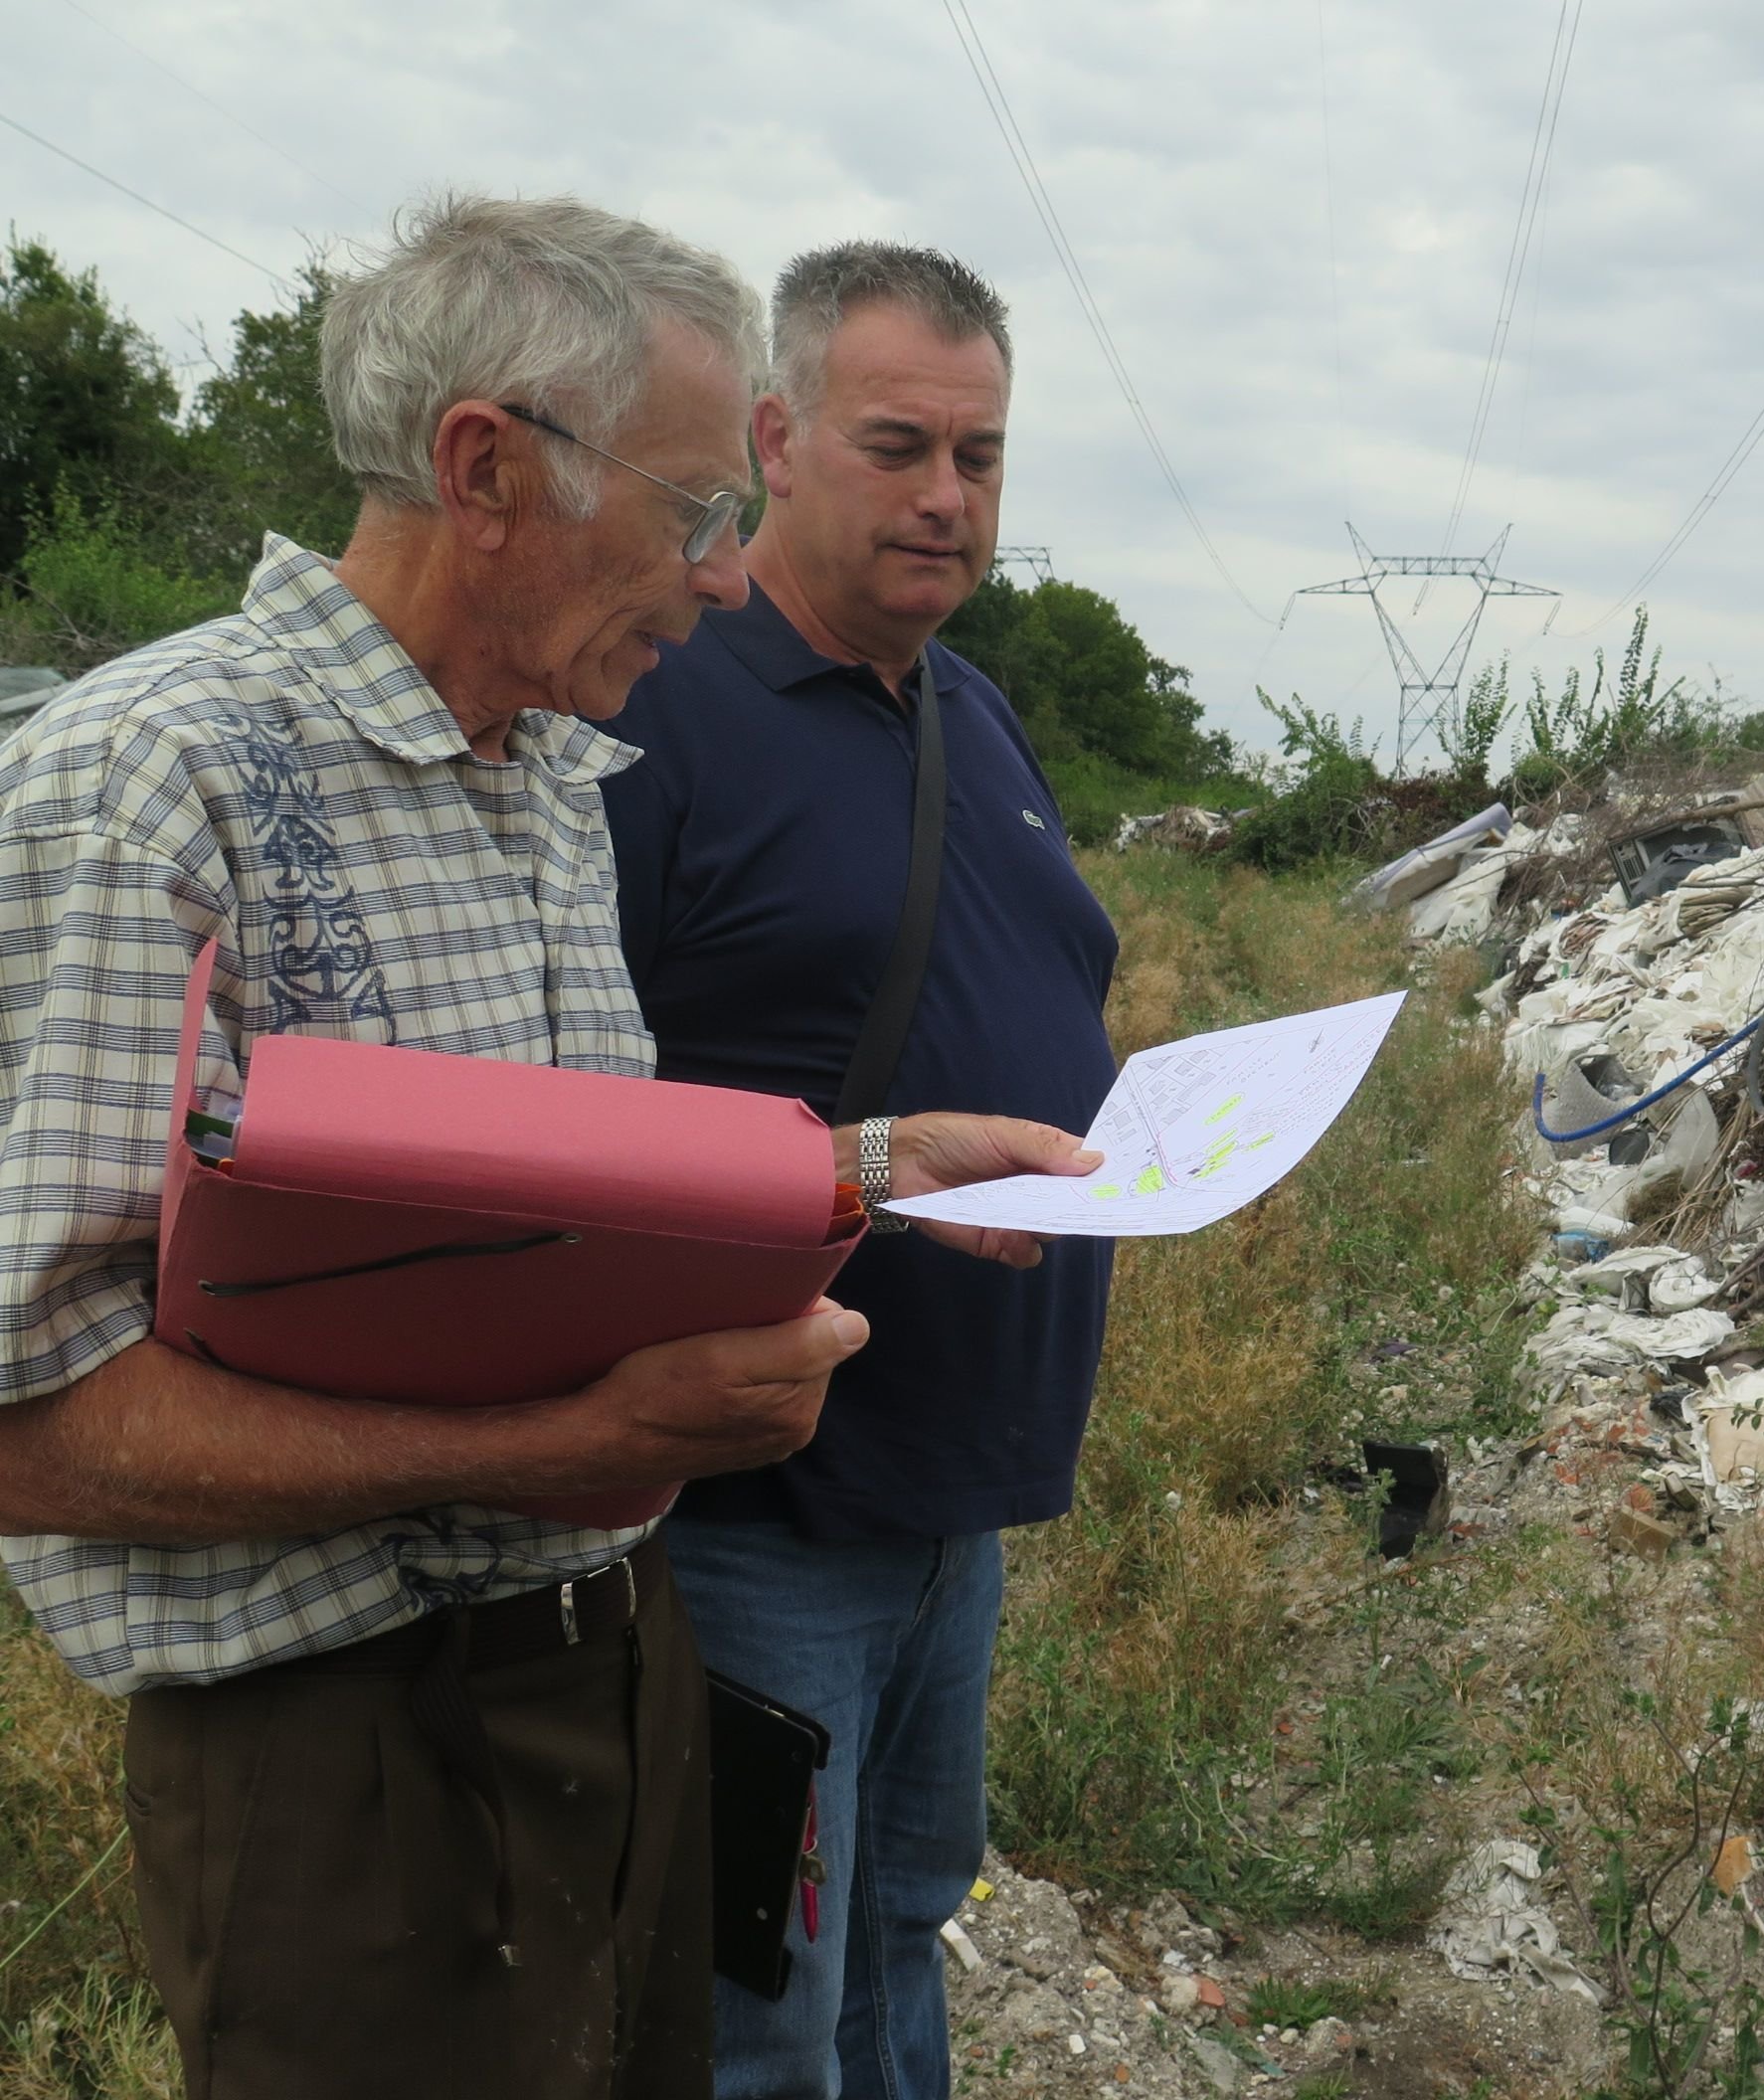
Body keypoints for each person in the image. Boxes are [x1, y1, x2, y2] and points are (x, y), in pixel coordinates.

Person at [0, 196, 1087, 2100]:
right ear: (484, 468)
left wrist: (867, 1166)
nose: (726, 584)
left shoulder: (553, 776)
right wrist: (545, 1456)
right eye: (693, 513)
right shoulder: (150, 783)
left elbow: (539, 1210)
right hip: (331, 1742)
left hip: (610, 1664)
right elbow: (32, 1423)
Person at [600, 242, 1119, 2099]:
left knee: (904, 1930)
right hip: (759, 1516)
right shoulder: (658, 707)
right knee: (764, 2013)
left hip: (950, 1505)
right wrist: (872, 1173)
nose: (947, 496)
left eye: (981, 456)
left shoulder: (973, 713)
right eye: (898, 443)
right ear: (774, 438)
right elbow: (570, 1119)